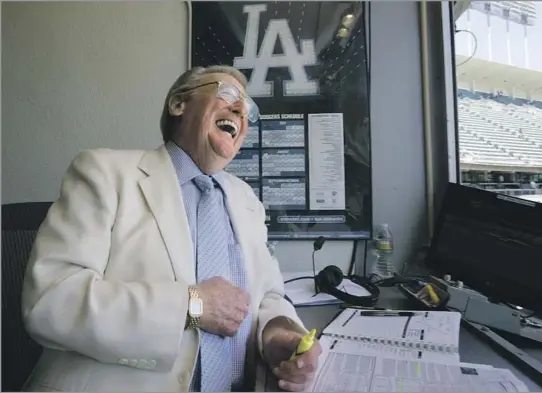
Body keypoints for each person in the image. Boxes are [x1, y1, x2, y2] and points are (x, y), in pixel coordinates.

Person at [21, 65, 322, 392]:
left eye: (248, 109)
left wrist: (278, 333)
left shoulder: (246, 199)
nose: (240, 111)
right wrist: (192, 306)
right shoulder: (104, 173)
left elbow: (269, 295)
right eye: (228, 94)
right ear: (179, 103)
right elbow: (50, 301)